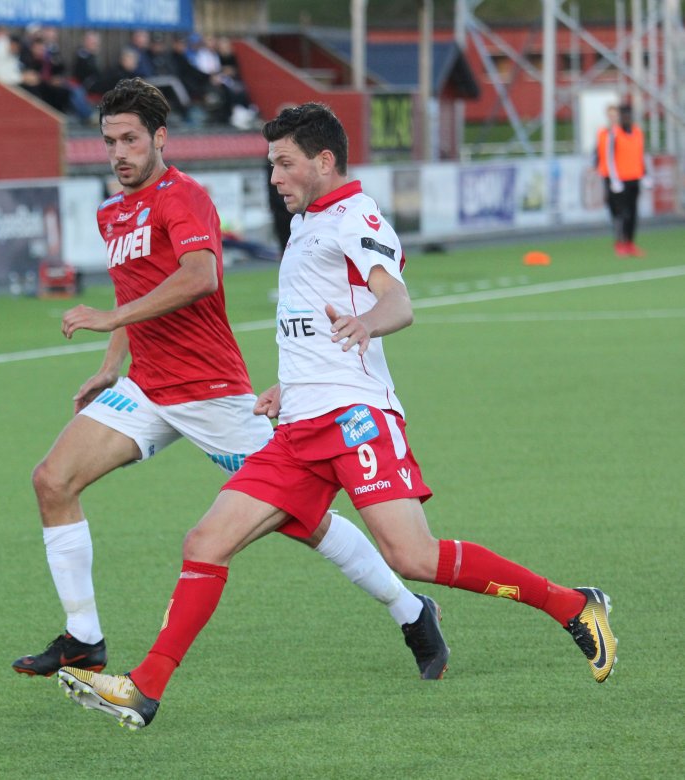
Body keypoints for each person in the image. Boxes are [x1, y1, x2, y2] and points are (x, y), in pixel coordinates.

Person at [55, 102, 618, 730]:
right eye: (271, 165)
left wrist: (367, 323)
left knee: (414, 557)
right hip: (299, 425)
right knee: (205, 542)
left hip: (355, 419)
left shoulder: (356, 216)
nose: (274, 177)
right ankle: (144, 688)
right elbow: (313, 323)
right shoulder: (308, 222)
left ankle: (571, 605)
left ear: (324, 161)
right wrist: (286, 386)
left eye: (284, 164)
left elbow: (397, 302)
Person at [12, 81, 448, 683]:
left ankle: (410, 609)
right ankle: (84, 637)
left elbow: (201, 277)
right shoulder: (112, 213)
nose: (119, 153)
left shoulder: (185, 197)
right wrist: (112, 365)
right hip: (146, 387)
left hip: (210, 389)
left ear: (160, 138)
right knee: (52, 479)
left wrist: (110, 319)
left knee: (305, 520)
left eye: (131, 140)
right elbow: (136, 292)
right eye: (109, 141)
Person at [596, 103, 647, 257]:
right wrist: (614, 179)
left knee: (633, 212)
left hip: (634, 177)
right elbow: (608, 157)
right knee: (619, 212)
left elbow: (641, 154)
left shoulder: (637, 132)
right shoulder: (610, 133)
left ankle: (630, 242)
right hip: (617, 179)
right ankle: (620, 242)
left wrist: (645, 174)